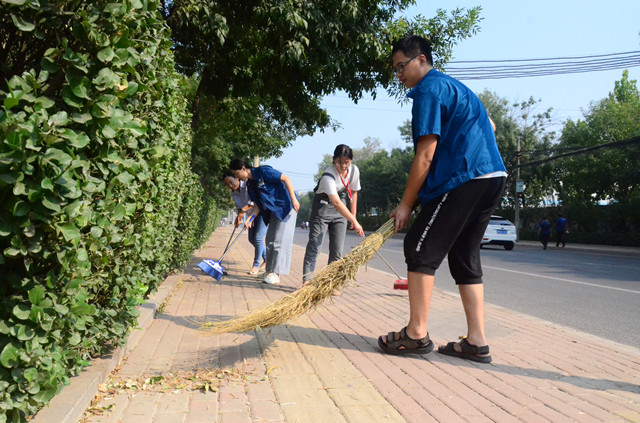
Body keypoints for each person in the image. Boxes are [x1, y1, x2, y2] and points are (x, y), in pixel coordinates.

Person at [377, 35, 507, 364]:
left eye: (401, 66)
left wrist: (406, 204)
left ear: (421, 59)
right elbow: (489, 123)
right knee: (464, 256)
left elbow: (425, 156)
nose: (399, 75)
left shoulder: (428, 90)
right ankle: (476, 342)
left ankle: (416, 334)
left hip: (465, 178)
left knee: (420, 246)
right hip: (492, 176)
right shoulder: (456, 87)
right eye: (395, 70)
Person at [229, 159, 300, 284]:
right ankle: (269, 271)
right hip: (273, 211)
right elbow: (257, 205)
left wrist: (294, 199)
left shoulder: (263, 171)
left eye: (237, 174)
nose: (237, 178)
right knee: (270, 241)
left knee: (279, 241)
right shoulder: (251, 185)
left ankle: (276, 274)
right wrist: (250, 219)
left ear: (244, 169)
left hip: (286, 206)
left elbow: (285, 179)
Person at [302, 145, 365, 283]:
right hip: (323, 208)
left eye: (346, 162)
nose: (343, 165)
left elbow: (353, 192)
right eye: (339, 162)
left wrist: (353, 217)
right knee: (315, 246)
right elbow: (336, 202)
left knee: (337, 250)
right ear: (333, 160)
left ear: (351, 160)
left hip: (341, 209)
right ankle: (307, 281)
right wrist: (354, 222)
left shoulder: (354, 171)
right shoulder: (328, 176)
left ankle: (330, 284)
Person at [223, 171, 267, 274]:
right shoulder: (233, 193)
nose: (230, 185)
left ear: (237, 178)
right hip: (250, 216)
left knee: (258, 238)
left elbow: (253, 202)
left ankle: (255, 265)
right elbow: (240, 207)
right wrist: (237, 219)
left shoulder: (247, 185)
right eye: (227, 184)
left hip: (260, 212)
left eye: (230, 182)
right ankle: (268, 258)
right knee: (251, 239)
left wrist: (242, 211)